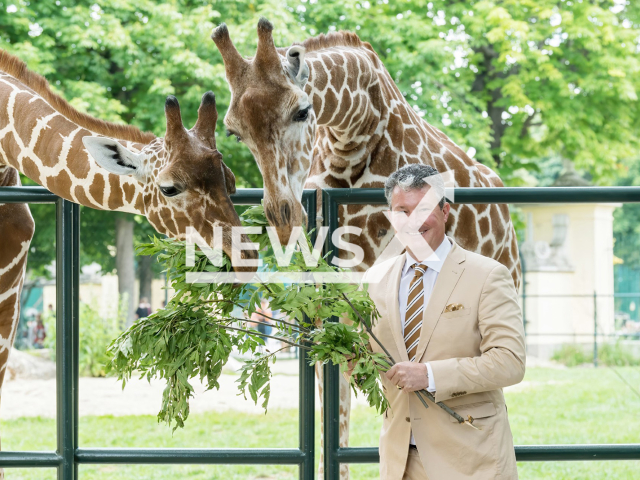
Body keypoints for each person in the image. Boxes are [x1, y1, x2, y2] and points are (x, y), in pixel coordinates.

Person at [358, 164, 526, 480]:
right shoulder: (374, 279)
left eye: (423, 209)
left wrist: (430, 375)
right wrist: (345, 355)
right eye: (402, 211)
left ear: (445, 211)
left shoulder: (488, 276)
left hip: (471, 459)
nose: (413, 221)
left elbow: (510, 363)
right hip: (399, 463)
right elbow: (366, 362)